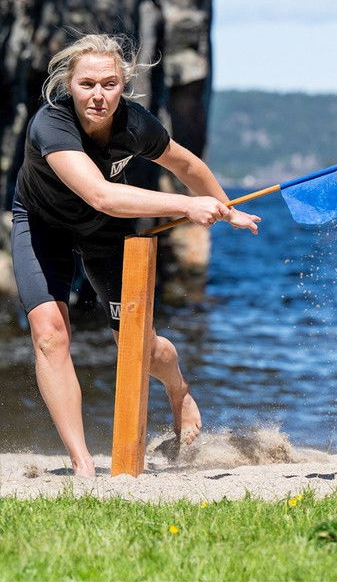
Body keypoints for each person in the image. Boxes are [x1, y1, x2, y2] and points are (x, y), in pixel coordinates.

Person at [10, 34, 260, 477]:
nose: (98, 95)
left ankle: (178, 389)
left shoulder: (135, 124)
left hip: (105, 233)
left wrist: (226, 209)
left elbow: (186, 166)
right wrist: (186, 206)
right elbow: (101, 194)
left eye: (109, 84)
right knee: (50, 334)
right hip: (42, 227)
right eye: (87, 84)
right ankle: (83, 464)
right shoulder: (51, 124)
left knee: (137, 346)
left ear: (123, 85)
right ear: (70, 85)